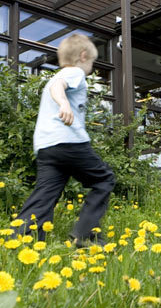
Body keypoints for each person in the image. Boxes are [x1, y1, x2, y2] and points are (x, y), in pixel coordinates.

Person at [12, 34, 115, 247]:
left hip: (47, 147)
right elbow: (58, 86)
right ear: (83, 56)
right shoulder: (74, 72)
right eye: (92, 62)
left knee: (45, 192)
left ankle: (22, 239)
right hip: (69, 142)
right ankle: (85, 234)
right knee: (103, 179)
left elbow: (55, 84)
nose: (91, 67)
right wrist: (64, 104)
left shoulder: (56, 75)